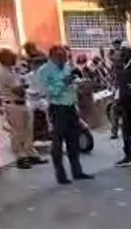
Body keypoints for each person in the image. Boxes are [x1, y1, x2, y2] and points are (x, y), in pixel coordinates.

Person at [35, 45, 93, 185]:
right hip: (57, 108)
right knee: (58, 142)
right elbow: (45, 91)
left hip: (70, 107)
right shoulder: (44, 71)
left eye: (65, 56)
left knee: (73, 140)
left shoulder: (67, 68)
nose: (64, 59)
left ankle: (77, 171)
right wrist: (62, 83)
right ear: (53, 56)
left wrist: (77, 85)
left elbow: (71, 87)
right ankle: (60, 174)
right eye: (60, 57)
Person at [0, 48, 36, 169]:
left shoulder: (13, 71)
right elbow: (18, 90)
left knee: (28, 130)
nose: (14, 59)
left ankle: (30, 153)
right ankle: (20, 157)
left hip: (23, 103)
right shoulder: (5, 74)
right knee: (18, 132)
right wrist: (24, 86)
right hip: (14, 104)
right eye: (12, 57)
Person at [114, 41, 131, 165]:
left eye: (124, 50)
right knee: (126, 129)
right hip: (124, 102)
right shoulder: (122, 65)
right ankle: (129, 154)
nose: (122, 52)